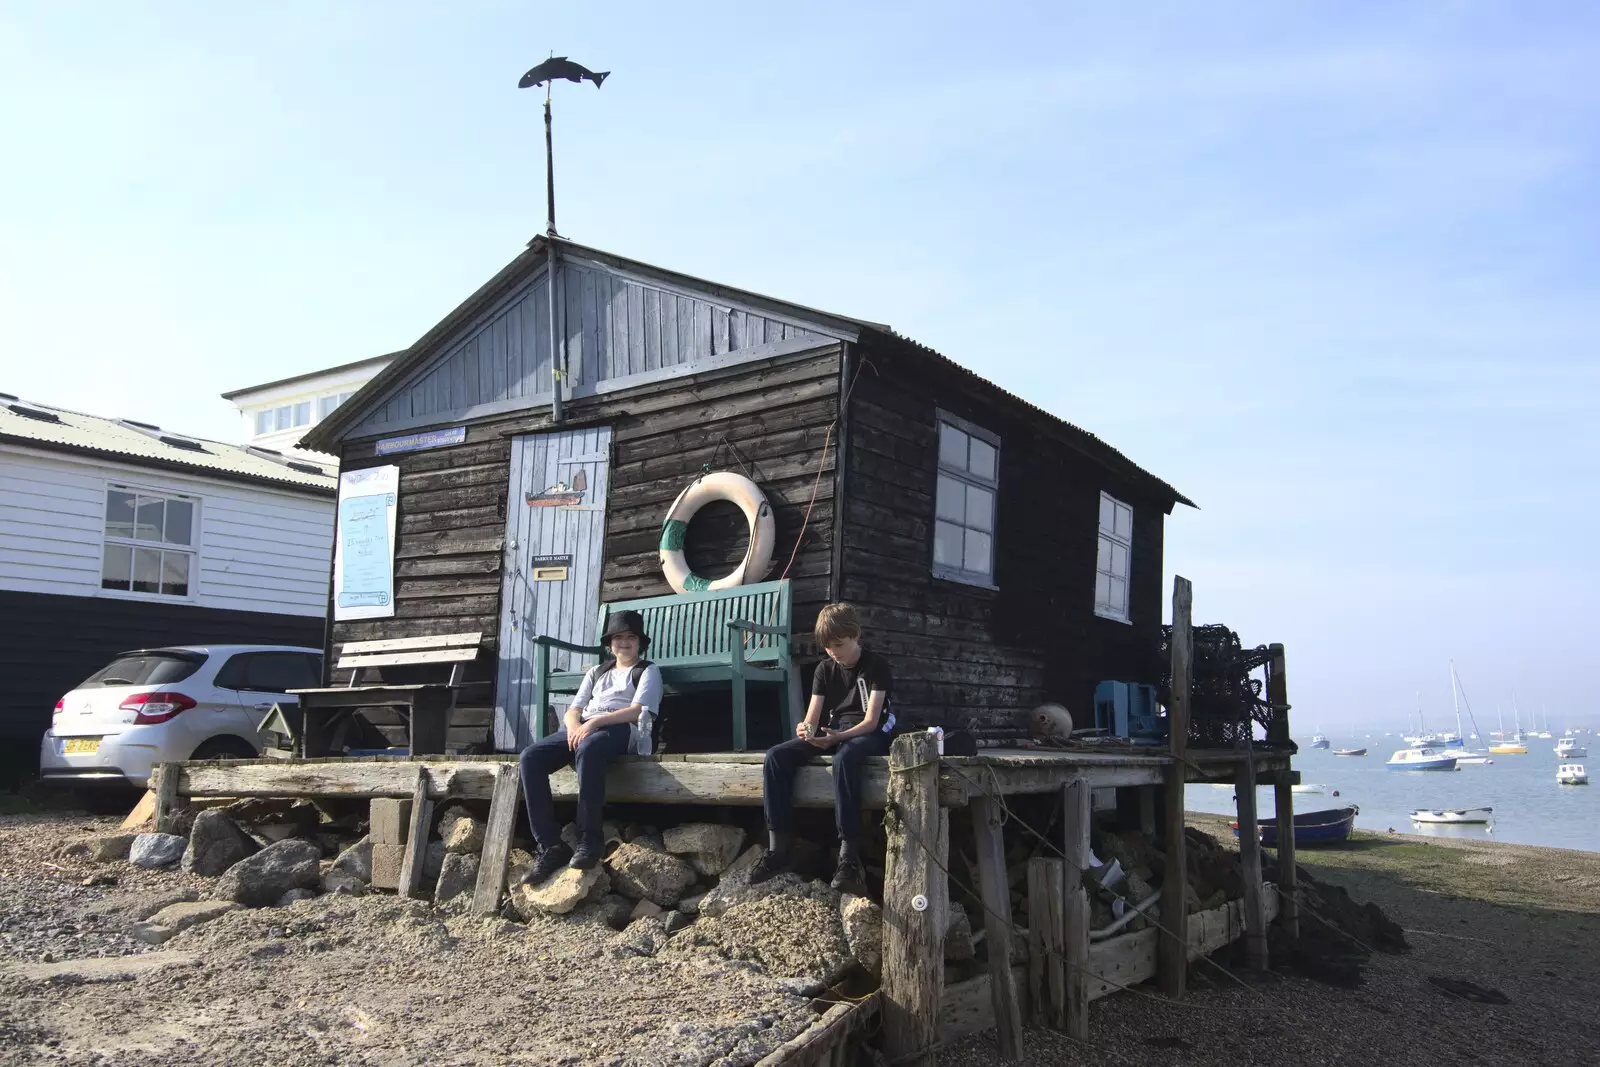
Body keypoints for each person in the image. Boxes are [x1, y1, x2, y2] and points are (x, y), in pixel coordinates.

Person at [751, 602, 895, 896]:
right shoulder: (824, 669)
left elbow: (871, 721)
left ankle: (849, 856)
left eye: (839, 645)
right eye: (828, 647)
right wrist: (805, 730)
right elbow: (812, 717)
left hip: (869, 732)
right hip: (834, 729)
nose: (833, 652)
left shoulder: (876, 665)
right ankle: (778, 848)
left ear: (856, 635)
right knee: (776, 756)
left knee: (845, 758)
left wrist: (837, 738)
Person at [519, 610, 662, 884]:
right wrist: (575, 727)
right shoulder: (597, 672)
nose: (624, 642)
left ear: (640, 643)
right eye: (618, 637)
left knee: (590, 749)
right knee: (530, 757)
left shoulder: (647, 671)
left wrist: (593, 725)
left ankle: (589, 840)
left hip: (621, 729)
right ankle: (551, 845)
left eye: (631, 637)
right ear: (610, 643)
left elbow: (637, 711)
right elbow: (574, 710)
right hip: (585, 728)